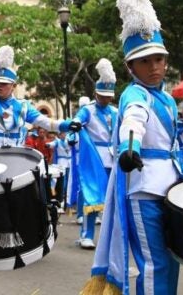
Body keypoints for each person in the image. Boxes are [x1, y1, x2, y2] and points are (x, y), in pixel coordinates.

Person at [84, 0, 183, 294]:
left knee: (170, 260)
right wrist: (130, 148)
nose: (154, 67)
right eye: (145, 61)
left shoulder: (166, 98)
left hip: (170, 185)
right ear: (130, 66)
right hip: (143, 187)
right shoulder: (134, 94)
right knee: (155, 264)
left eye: (158, 59)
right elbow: (133, 120)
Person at [0, 45, 77, 149]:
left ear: (13, 86)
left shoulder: (23, 106)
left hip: (12, 159)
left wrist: (66, 125)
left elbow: (44, 121)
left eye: (4, 83)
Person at [70, 58, 118, 250]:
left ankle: (111, 238)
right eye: (102, 95)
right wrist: (75, 124)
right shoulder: (88, 109)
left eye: (108, 96)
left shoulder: (115, 111)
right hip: (93, 158)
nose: (105, 99)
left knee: (112, 200)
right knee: (92, 197)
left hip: (112, 158)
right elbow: (78, 120)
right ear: (96, 92)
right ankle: (86, 235)